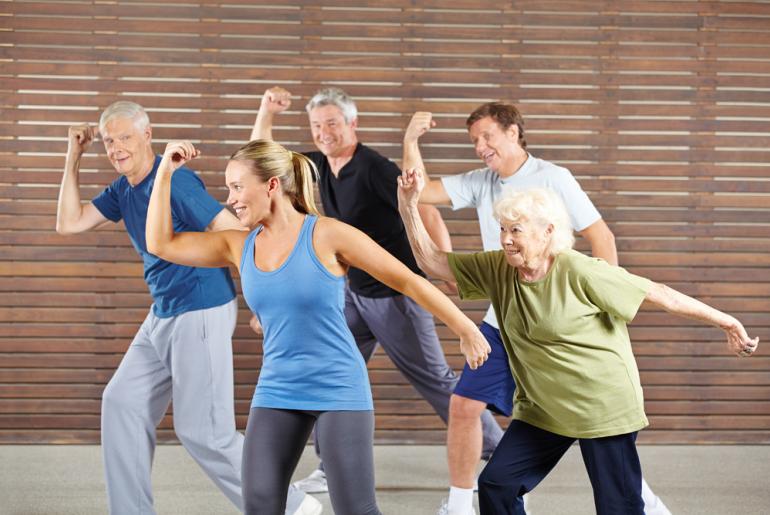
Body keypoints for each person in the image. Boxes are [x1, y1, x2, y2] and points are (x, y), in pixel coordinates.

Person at [144, 138, 491, 515]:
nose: (231, 199)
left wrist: (466, 329)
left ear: (272, 185)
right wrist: (165, 171)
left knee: (356, 510)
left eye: (238, 186)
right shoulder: (237, 244)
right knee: (259, 504)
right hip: (278, 387)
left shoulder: (327, 234)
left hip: (338, 386)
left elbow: (408, 280)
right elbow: (160, 243)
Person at [398, 172, 759, 515]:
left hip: (601, 408)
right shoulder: (499, 268)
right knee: (497, 484)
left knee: (618, 505)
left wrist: (727, 321)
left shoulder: (579, 270)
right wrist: (409, 206)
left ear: (547, 233)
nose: (506, 239)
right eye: (503, 229)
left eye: (516, 230)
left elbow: (661, 294)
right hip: (544, 409)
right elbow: (433, 262)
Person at [403, 103, 669, 515]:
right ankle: (459, 503)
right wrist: (410, 141)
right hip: (504, 320)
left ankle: (638, 495)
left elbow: (601, 236)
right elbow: (418, 189)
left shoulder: (552, 178)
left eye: (487, 136)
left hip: (556, 318)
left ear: (513, 133)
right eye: (473, 140)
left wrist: (608, 309)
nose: (480, 146)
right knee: (463, 405)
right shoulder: (480, 181)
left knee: (587, 417)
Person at [55, 101, 319, 515]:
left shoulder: (177, 183)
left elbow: (237, 237)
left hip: (200, 309)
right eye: (109, 141)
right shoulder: (124, 188)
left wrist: (267, 303)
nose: (117, 147)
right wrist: (75, 156)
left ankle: (294, 507)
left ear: (147, 134)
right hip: (162, 312)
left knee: (205, 433)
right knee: (122, 402)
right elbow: (69, 222)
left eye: (125, 136)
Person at [252, 86, 505, 493]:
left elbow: (424, 208)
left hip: (396, 297)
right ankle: (327, 466)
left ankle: (498, 448)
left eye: (332, 123)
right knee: (326, 367)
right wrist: (266, 112)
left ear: (352, 124)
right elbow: (260, 163)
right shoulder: (315, 167)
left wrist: (445, 265)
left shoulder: (373, 168)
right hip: (353, 295)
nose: (324, 132)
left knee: (436, 379)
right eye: (317, 125)